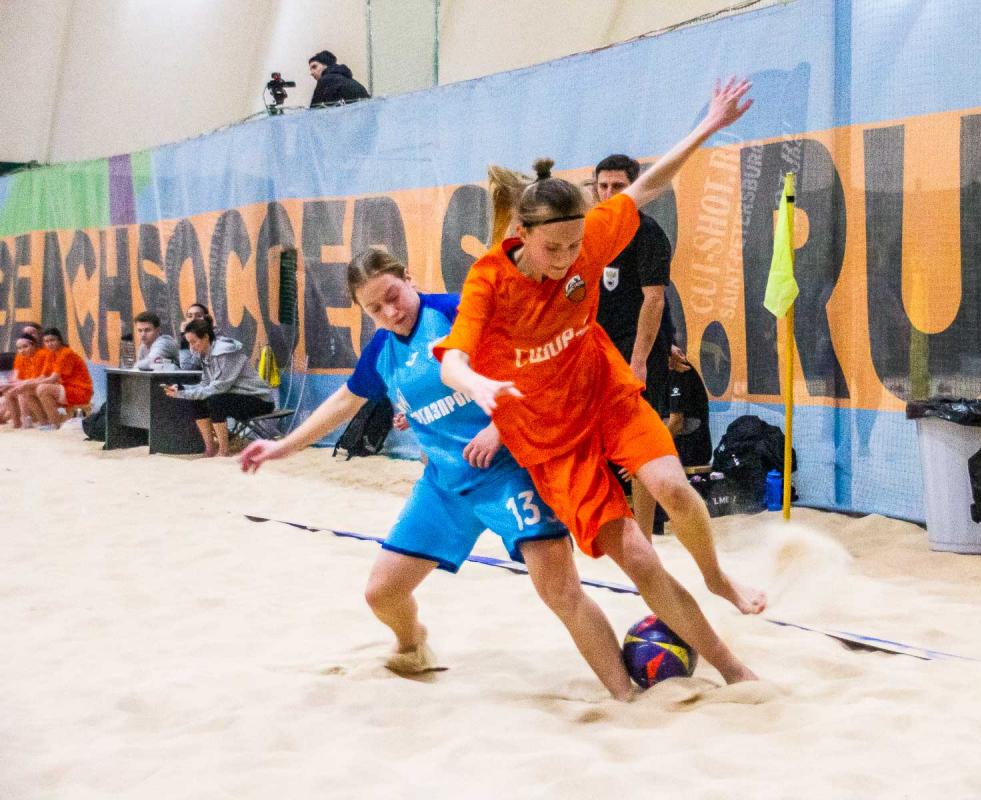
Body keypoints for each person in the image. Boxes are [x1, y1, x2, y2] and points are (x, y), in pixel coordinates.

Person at [437, 78, 764, 687]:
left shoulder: (586, 239)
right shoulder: (489, 281)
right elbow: (452, 358)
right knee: (639, 560)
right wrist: (477, 386)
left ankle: (718, 583)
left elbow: (649, 185)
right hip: (551, 440)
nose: (568, 258)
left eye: (575, 245)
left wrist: (708, 125)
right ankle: (728, 666)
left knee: (672, 486)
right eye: (553, 249)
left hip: (604, 393)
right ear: (522, 235)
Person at [239, 248, 632, 698]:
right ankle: (413, 646)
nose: (390, 312)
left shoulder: (455, 313)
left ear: (409, 278)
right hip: (444, 486)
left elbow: (532, 368)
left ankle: (625, 696)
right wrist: (283, 446)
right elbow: (344, 402)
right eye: (375, 309)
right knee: (382, 593)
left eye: (393, 296)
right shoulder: (382, 351)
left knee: (560, 591)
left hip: (508, 473)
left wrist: (499, 428)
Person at [593, 153, 676, 540]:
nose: (610, 193)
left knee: (642, 440)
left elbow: (654, 300)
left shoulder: (648, 234)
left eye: (619, 186)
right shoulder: (589, 231)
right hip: (597, 346)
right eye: (603, 186)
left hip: (637, 349)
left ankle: (644, 533)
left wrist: (639, 359)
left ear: (636, 186)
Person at [164, 320, 273, 457]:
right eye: (189, 343)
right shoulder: (205, 354)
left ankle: (223, 451)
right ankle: (210, 449)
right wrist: (181, 389)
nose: (192, 347)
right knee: (197, 401)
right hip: (234, 397)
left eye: (194, 342)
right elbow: (205, 384)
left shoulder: (225, 352)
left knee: (215, 401)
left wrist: (183, 394)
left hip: (260, 400)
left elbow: (218, 388)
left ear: (206, 337)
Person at [27, 327, 94, 428]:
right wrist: (22, 385)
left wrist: (23, 385)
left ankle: (55, 423)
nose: (49, 344)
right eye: (46, 341)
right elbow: (42, 376)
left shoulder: (66, 353)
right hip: (65, 389)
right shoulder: (51, 354)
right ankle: (44, 423)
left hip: (80, 391)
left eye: (52, 340)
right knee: (27, 391)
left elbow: (52, 379)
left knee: (42, 389)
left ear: (60, 340)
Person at [1, 332, 47, 427]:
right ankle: (17, 424)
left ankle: (27, 419)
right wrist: (8, 385)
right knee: (8, 392)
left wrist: (21, 384)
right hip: (28, 384)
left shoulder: (42, 355)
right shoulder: (20, 358)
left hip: (42, 384)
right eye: (19, 348)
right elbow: (16, 379)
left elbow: (41, 378)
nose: (22, 350)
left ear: (34, 345)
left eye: (25, 347)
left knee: (22, 390)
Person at [178, 303, 213, 370]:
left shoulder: (209, 338)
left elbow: (187, 366)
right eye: (190, 316)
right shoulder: (190, 337)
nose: (193, 319)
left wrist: (183, 337)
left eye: (198, 316)